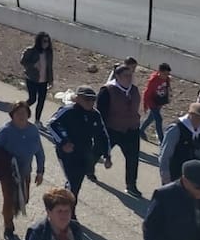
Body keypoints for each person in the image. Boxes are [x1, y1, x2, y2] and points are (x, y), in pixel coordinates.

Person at [48, 86, 112, 214]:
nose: (90, 103)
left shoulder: (95, 115)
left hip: (85, 153)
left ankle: (62, 203)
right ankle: (69, 213)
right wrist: (63, 142)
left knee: (76, 182)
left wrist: (107, 155)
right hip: (67, 152)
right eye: (86, 99)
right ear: (77, 99)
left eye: (93, 100)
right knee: (73, 181)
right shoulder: (68, 111)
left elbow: (102, 135)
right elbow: (52, 124)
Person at [0, 101, 46, 240]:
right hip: (8, 173)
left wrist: (40, 171)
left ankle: (11, 211)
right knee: (9, 199)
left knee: (23, 200)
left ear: (28, 115)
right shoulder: (6, 130)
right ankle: (8, 227)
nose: (21, 116)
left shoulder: (33, 130)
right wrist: (3, 159)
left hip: (25, 172)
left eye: (24, 113)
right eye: (18, 113)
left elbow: (39, 152)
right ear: (12, 115)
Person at [97, 64, 143, 197]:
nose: (129, 78)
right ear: (117, 76)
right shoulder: (107, 90)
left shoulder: (134, 90)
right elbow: (101, 114)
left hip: (131, 130)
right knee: (98, 150)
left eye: (131, 75)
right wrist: (101, 132)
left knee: (133, 158)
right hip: (112, 129)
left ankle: (131, 185)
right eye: (126, 75)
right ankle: (88, 169)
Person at [158, 103, 200, 185]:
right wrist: (165, 173)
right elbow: (166, 153)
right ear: (190, 115)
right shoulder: (176, 128)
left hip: (191, 175)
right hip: (174, 171)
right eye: (198, 117)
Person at [20, 32, 54, 125]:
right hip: (32, 79)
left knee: (41, 101)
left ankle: (37, 120)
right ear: (39, 41)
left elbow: (49, 67)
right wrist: (33, 65)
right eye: (44, 41)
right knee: (32, 99)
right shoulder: (31, 50)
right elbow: (23, 62)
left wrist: (51, 80)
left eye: (48, 41)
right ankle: (19, 109)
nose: (46, 43)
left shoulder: (49, 53)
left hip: (43, 81)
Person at [140, 63, 173, 143]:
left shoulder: (166, 79)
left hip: (159, 101)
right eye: (164, 74)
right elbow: (147, 93)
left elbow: (167, 88)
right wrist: (145, 104)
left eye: (167, 74)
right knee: (159, 119)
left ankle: (140, 130)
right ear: (160, 72)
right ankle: (162, 140)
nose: (166, 76)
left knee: (151, 118)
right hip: (152, 102)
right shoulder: (153, 80)